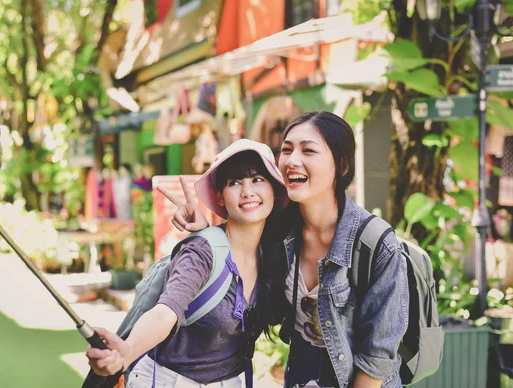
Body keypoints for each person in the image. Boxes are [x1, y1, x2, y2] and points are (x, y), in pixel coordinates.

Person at [165, 111, 409, 388]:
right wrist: (205, 228)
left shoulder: (377, 244)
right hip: (301, 377)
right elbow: (235, 247)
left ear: (341, 165)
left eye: (308, 150)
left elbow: (377, 359)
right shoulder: (279, 231)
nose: (292, 161)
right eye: (287, 150)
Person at [85, 139, 289, 388]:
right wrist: (127, 351)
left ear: (274, 190)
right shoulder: (201, 252)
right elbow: (165, 312)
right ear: (220, 197)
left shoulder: (273, 256)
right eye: (235, 182)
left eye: (258, 179)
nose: (247, 191)